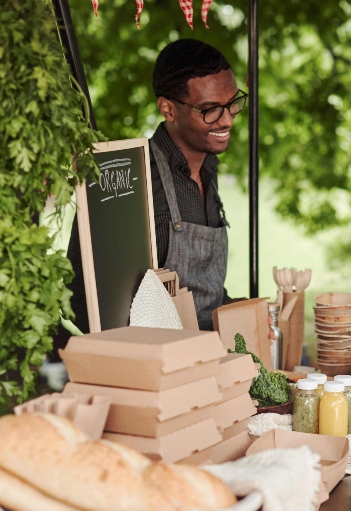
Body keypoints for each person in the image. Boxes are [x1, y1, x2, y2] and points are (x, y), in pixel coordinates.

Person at [66, 39, 245, 332]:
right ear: (168, 109)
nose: (227, 120)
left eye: (232, 103)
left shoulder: (208, 171)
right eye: (211, 109)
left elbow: (203, 298)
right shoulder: (130, 182)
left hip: (210, 360)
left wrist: (236, 309)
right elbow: (82, 298)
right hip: (153, 367)